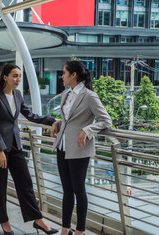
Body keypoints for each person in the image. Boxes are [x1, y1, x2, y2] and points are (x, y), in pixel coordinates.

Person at [0, 64, 58, 235]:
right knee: (0, 186)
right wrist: (0, 150)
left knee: (25, 184)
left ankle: (38, 220)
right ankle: (4, 222)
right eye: (15, 76)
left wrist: (52, 121)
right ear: (5, 77)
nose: (18, 79)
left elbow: (29, 115)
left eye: (19, 76)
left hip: (16, 146)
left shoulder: (18, 94)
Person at [50, 61, 112, 235]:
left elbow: (106, 120)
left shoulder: (89, 96)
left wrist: (87, 130)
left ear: (73, 75)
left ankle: (80, 230)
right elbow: (70, 119)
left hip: (79, 148)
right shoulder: (65, 94)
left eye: (64, 73)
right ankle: (65, 229)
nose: (61, 76)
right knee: (67, 190)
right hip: (63, 146)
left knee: (78, 189)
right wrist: (58, 122)